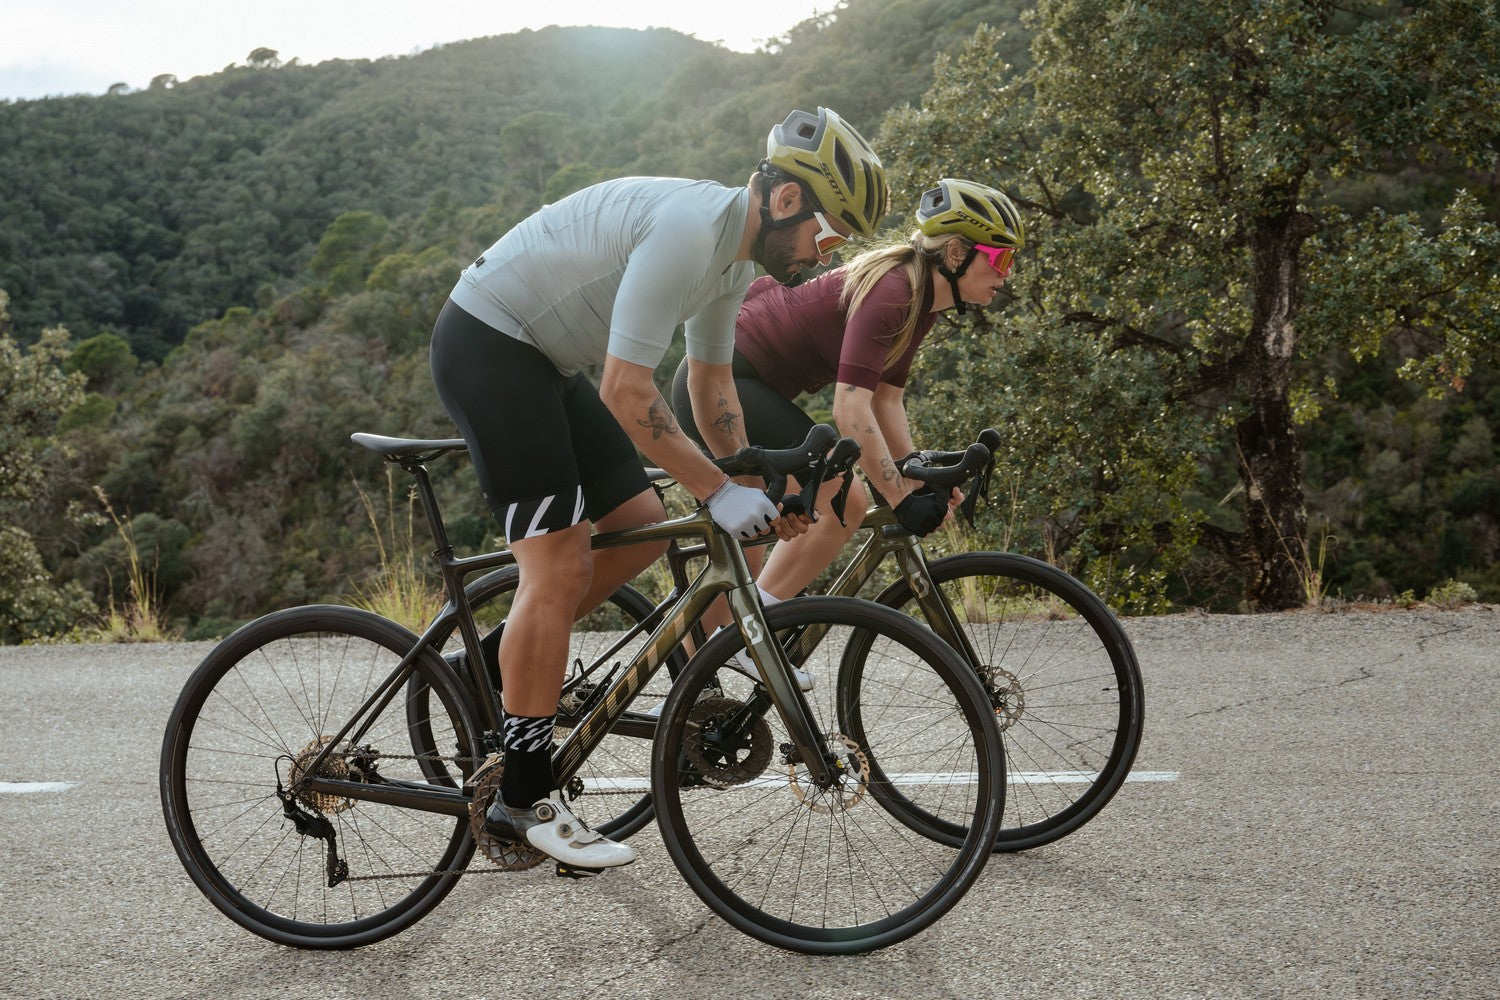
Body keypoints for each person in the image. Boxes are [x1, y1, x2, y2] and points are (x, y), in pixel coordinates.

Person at [428, 107, 888, 873]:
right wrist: (716, 492)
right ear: (786, 201)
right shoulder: (688, 231)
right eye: (829, 235)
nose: (825, 255)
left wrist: (753, 485)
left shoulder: (733, 259)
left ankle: (491, 666)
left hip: (546, 362)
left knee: (638, 520)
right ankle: (523, 796)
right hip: (490, 344)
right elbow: (625, 391)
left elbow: (710, 385)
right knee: (560, 565)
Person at [669, 178, 1025, 653]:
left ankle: (710, 662)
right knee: (844, 499)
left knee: (752, 546)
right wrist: (900, 497)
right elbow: (850, 406)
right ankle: (752, 643)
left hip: (746, 384)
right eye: (1001, 259)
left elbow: (886, 401)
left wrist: (915, 477)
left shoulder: (921, 300)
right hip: (725, 381)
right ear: (957, 253)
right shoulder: (895, 289)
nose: (1007, 274)